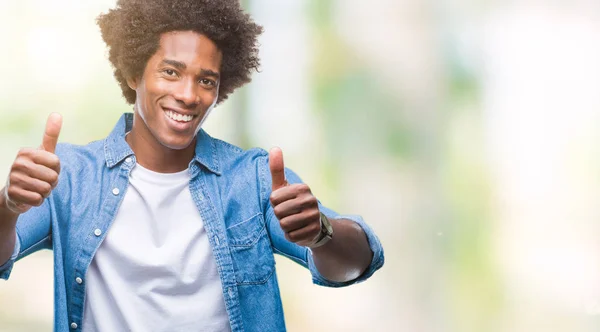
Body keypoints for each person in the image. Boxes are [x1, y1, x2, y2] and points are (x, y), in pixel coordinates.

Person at [0, 0, 384, 331]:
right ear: (135, 72)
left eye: (205, 80)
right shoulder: (70, 176)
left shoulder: (251, 179)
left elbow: (355, 265)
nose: (187, 95)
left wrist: (321, 234)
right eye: (171, 71)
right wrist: (8, 206)